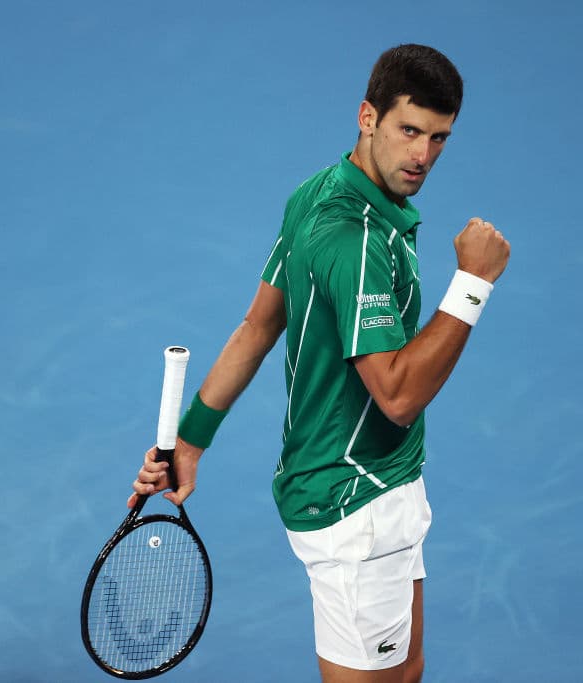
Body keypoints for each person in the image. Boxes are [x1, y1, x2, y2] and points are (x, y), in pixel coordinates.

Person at [128, 43, 510, 683]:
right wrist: (473, 284)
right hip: (356, 504)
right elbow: (396, 394)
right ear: (369, 117)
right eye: (408, 130)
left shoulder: (316, 193)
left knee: (405, 670)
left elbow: (257, 327)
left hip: (380, 484)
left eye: (439, 137)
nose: (422, 156)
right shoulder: (352, 238)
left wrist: (191, 441)